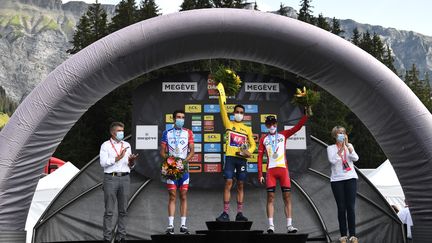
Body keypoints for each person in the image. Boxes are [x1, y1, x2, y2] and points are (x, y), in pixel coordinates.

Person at [258, 113, 308, 234]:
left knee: (287, 197)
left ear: (276, 124)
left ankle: (289, 225)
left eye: (273, 123)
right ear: (266, 125)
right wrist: (260, 174)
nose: (271, 126)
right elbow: (259, 158)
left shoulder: (283, 134)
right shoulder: (263, 139)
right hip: (271, 171)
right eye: (269, 124)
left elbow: (297, 127)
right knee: (270, 197)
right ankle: (271, 225)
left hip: (283, 170)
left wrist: (306, 115)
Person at [216, 95, 256, 222]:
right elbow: (222, 109)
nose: (239, 114)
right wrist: (221, 96)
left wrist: (247, 151)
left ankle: (239, 213)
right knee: (228, 182)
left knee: (240, 184)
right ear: (234, 113)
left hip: (241, 159)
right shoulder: (228, 123)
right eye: (237, 112)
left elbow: (253, 144)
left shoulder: (247, 129)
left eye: (241, 113)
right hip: (230, 158)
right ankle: (225, 213)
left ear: (244, 115)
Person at [100, 122, 138, 243]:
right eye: (119, 131)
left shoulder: (126, 144)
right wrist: (118, 158)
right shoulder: (105, 145)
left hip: (125, 178)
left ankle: (121, 236)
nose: (122, 133)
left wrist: (132, 161)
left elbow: (130, 165)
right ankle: (107, 237)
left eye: (122, 130)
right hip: (111, 178)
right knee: (109, 210)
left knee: (123, 210)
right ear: (112, 132)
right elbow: (103, 163)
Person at [160, 110, 195, 234]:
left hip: (184, 167)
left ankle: (183, 225)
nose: (181, 119)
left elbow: (192, 151)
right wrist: (171, 161)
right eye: (179, 117)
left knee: (183, 195)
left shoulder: (188, 132)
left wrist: (183, 162)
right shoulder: (166, 133)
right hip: (171, 167)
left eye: (183, 117)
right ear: (173, 119)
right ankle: (170, 226)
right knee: (172, 195)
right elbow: (162, 152)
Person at [327, 126, 359, 243]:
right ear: (335, 136)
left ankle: (353, 235)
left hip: (350, 178)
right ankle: (343, 235)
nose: (341, 135)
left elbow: (355, 158)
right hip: (337, 180)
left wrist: (347, 147)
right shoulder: (330, 148)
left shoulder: (349, 146)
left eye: (343, 133)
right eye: (339, 133)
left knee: (350, 207)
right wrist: (340, 149)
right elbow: (332, 160)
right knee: (341, 207)